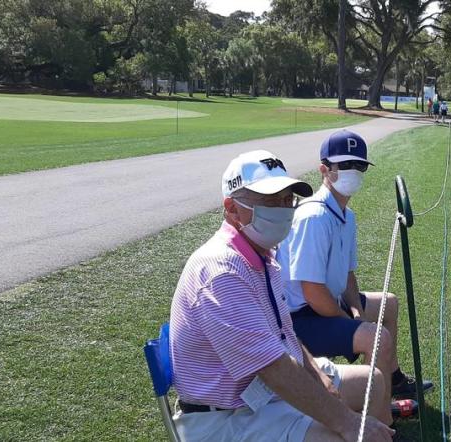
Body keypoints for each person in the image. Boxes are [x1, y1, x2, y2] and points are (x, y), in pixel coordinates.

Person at [169, 150, 394, 441]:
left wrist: (318, 376)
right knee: (342, 435)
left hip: (259, 395)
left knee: (372, 383)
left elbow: (284, 334)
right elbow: (273, 369)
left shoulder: (262, 257)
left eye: (287, 200)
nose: (283, 209)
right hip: (225, 416)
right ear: (232, 208)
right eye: (268, 201)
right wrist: (348, 423)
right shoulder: (221, 273)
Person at [278, 130, 434, 403]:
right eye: (345, 165)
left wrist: (357, 310)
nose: (354, 171)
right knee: (376, 337)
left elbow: (348, 276)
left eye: (359, 165)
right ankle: (380, 415)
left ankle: (391, 379)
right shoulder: (313, 217)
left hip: (327, 303)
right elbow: (312, 292)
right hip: (299, 318)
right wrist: (349, 320)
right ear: (324, 169)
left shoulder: (347, 216)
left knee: (390, 303)